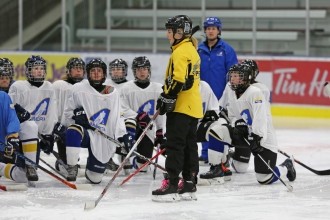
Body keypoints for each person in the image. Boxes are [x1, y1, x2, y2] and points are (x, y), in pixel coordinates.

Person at [207, 63, 296, 186]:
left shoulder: (255, 92)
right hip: (246, 135)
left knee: (264, 178)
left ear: (246, 78)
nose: (232, 79)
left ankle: (286, 166)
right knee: (216, 130)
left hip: (263, 137)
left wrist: (257, 137)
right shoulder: (232, 92)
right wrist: (237, 124)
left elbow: (261, 117)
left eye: (236, 76)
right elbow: (233, 115)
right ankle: (216, 169)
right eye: (231, 76)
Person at [151, 15, 203, 202]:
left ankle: (172, 184)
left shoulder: (180, 52)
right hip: (193, 106)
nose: (167, 34)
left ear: (179, 33)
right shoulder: (192, 49)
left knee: (175, 145)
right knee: (189, 146)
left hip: (181, 108)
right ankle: (189, 183)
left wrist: (167, 96)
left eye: (170, 31)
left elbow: (180, 80)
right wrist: (168, 94)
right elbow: (189, 81)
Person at [60, 58, 133, 183]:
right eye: (93, 71)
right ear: (88, 74)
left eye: (99, 71)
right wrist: (76, 115)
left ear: (104, 74)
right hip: (86, 133)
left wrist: (123, 135)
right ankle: (71, 167)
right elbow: (67, 113)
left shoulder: (113, 92)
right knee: (74, 130)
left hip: (103, 136)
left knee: (95, 178)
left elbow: (118, 116)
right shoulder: (78, 89)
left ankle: (92, 166)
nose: (96, 73)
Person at [197, 16, 238, 165]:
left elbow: (234, 74)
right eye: (208, 28)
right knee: (202, 122)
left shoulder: (227, 50)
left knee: (220, 125)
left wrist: (229, 95)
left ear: (218, 30)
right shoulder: (199, 50)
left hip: (221, 95)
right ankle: (205, 153)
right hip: (202, 96)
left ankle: (223, 155)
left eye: (213, 28)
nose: (211, 31)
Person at [8, 55, 58, 164]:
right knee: (10, 161)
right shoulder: (18, 87)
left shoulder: (49, 87)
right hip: (17, 135)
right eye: (36, 68)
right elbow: (9, 112)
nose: (39, 71)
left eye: (41, 69)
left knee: (26, 171)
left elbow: (50, 114)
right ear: (29, 71)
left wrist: (48, 135)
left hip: (34, 138)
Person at [120, 56, 165, 172]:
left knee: (143, 168)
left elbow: (161, 111)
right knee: (128, 127)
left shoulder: (158, 89)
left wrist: (160, 131)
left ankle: (137, 160)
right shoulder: (126, 88)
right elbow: (121, 108)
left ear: (149, 70)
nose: (142, 72)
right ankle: (125, 153)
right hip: (129, 125)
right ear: (134, 71)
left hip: (148, 128)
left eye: (145, 68)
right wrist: (137, 116)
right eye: (138, 69)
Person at [1, 58, 40, 181]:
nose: (5, 79)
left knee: (30, 126)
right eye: (2, 76)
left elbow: (15, 119)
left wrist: (13, 136)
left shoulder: (16, 90)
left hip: (10, 142)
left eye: (7, 75)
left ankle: (30, 166)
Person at [52, 57, 85, 166]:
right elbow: (52, 107)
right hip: (62, 129)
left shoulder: (87, 86)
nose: (78, 71)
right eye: (75, 68)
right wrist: (54, 125)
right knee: (67, 165)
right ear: (69, 71)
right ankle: (63, 160)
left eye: (80, 68)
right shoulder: (59, 86)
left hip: (82, 128)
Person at [0, 91, 28, 183]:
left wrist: (12, 137)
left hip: (2, 150)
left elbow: (11, 119)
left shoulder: (3, 96)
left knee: (22, 177)